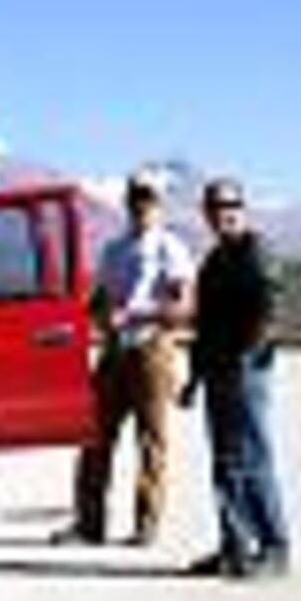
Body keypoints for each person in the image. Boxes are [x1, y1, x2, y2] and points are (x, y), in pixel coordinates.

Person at [73, 168, 194, 545]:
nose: (143, 207)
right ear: (128, 203)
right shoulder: (114, 249)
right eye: (137, 199)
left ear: (159, 206)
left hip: (152, 349)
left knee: (151, 441)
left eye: (150, 200)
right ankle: (89, 524)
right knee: (94, 436)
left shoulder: (170, 248)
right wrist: (93, 315)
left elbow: (183, 305)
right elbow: (99, 298)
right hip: (114, 350)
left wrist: (139, 314)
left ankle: (146, 525)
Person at [188, 175, 293, 580]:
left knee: (254, 458)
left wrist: (246, 356)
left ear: (242, 210)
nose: (222, 215)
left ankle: (274, 547)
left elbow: (268, 307)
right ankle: (234, 547)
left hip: (245, 372)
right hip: (216, 372)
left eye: (229, 208)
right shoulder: (214, 261)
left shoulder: (257, 251)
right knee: (225, 462)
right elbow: (205, 325)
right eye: (215, 209)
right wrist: (194, 377)